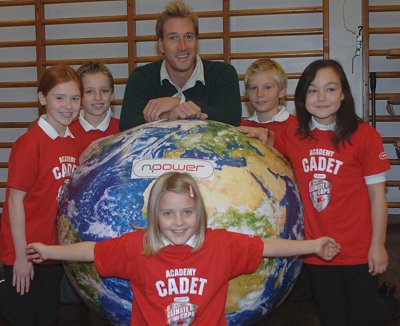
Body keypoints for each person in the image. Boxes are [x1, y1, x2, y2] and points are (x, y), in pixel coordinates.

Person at [26, 172, 340, 325]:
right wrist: (50, 251)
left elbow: (267, 246)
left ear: (199, 213)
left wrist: (313, 245)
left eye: (187, 212)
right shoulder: (139, 247)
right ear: (155, 216)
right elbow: (92, 251)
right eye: (168, 213)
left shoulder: (220, 245)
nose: (178, 222)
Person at [240, 59, 400, 325]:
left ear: (344, 94)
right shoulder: (295, 135)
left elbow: (377, 197)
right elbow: (269, 140)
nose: (321, 97)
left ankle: (385, 304)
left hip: (360, 249)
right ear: (302, 97)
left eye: (330, 89)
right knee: (332, 316)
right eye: (313, 90)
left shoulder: (365, 136)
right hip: (319, 251)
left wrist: (378, 245)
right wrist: (251, 134)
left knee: (363, 316)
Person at [0, 65, 82, 325]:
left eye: (75, 98)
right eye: (59, 98)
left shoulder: (72, 140)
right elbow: (14, 201)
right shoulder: (30, 143)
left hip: (51, 254)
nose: (68, 105)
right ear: (42, 98)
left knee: (47, 318)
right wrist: (21, 259)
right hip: (24, 255)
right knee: (22, 318)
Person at [119, 0, 242, 131]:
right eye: (173, 38)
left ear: (196, 41)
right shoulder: (141, 77)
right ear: (161, 44)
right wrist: (168, 117)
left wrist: (179, 101)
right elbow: (127, 125)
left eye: (188, 37)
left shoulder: (223, 73)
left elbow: (231, 119)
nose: (182, 46)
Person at [238, 58, 296, 143]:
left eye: (267, 87)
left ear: (282, 91)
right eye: (253, 88)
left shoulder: (297, 126)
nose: (259, 94)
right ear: (247, 92)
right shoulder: (243, 129)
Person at [69, 61, 119, 154]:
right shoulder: (67, 133)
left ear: (112, 95)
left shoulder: (123, 129)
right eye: (89, 91)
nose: (98, 97)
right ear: (78, 95)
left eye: (104, 90)